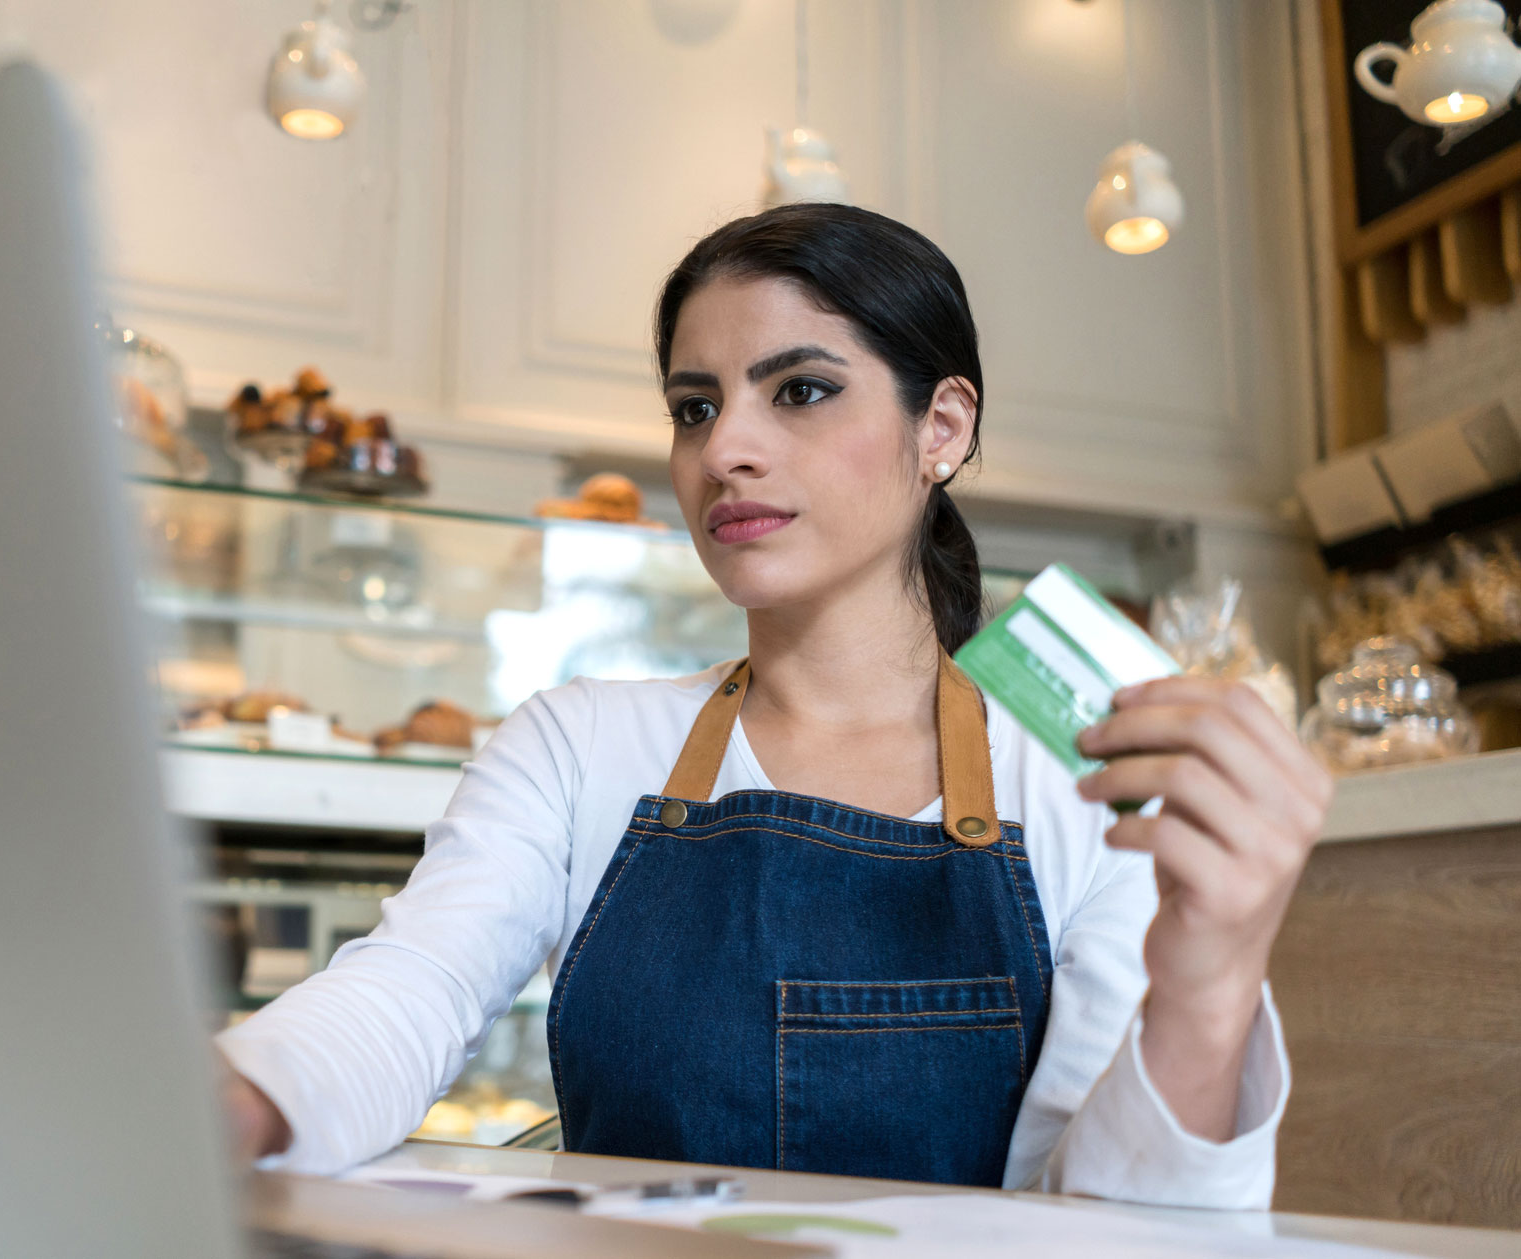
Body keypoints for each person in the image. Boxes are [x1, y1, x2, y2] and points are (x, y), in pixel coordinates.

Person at [218, 203, 1332, 1206]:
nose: (725, 451)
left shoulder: (1087, 777)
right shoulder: (577, 743)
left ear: (940, 427)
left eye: (799, 390)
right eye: (693, 407)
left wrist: (1214, 972)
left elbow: (1109, 1224)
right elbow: (405, 994)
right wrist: (229, 1102)